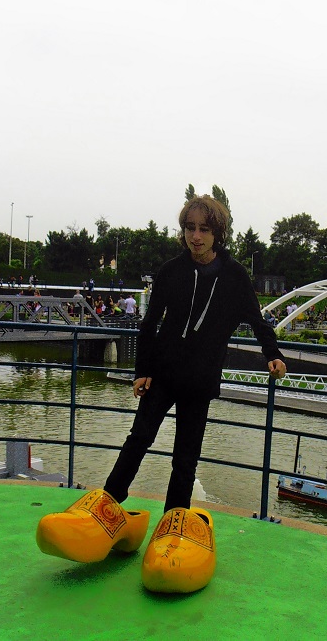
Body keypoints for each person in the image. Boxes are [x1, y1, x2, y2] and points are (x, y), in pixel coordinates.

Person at [36, 195, 287, 593]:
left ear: (217, 233)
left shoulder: (235, 276)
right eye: (190, 228)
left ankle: (174, 524)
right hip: (165, 374)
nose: (196, 236)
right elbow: (150, 323)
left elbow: (258, 322)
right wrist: (142, 370)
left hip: (200, 380)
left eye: (204, 229)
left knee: (185, 457)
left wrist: (273, 354)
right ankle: (109, 505)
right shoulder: (172, 270)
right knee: (138, 439)